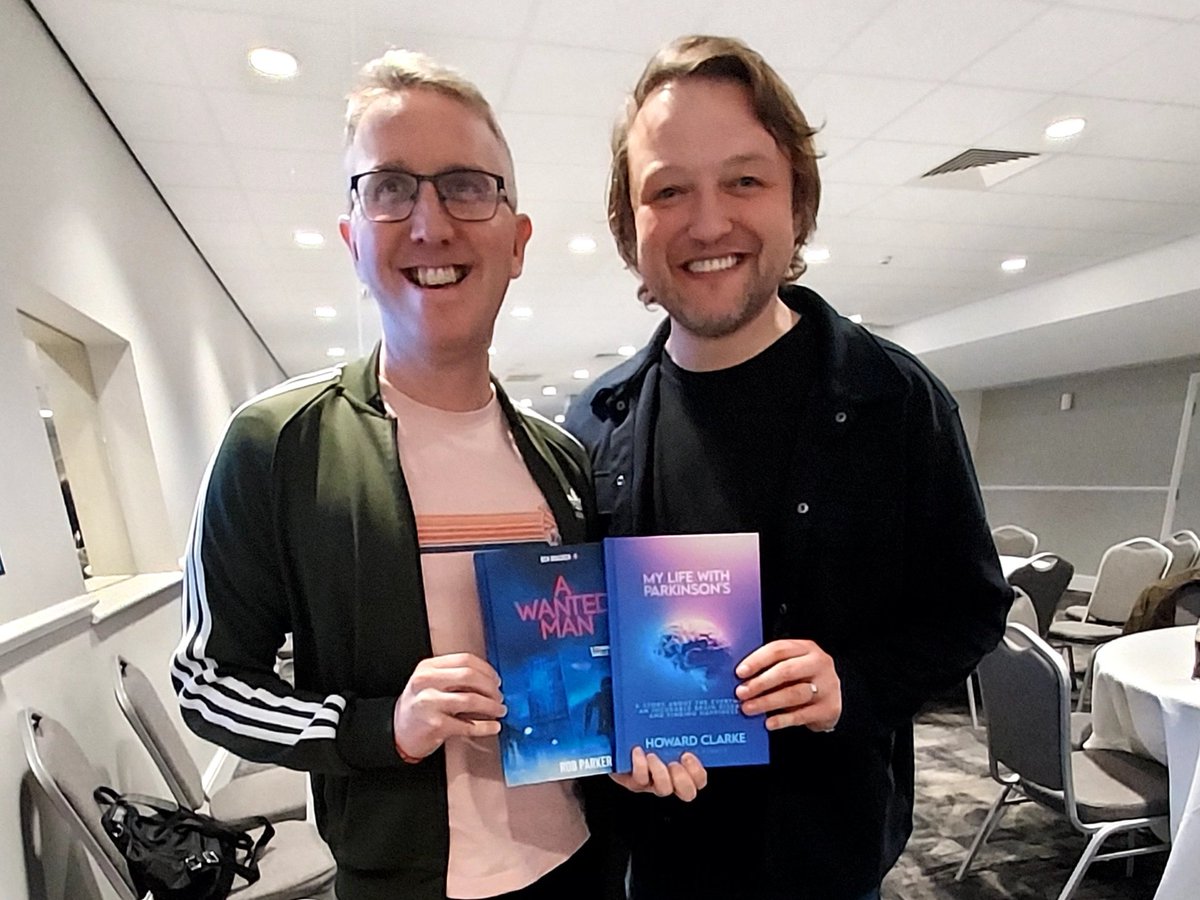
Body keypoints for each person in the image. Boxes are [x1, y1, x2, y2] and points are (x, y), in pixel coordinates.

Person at [566, 35, 1012, 900]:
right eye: (668, 190)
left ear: (796, 201)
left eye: (744, 179)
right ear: (632, 229)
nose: (707, 221)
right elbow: (584, 646)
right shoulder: (595, 424)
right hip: (654, 859)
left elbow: (971, 610)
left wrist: (852, 682)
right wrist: (606, 737)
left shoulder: (895, 400)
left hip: (826, 854)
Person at [173, 50, 623, 900]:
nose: (430, 222)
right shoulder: (279, 446)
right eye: (390, 187)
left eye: (466, 185)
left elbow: (599, 659)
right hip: (401, 882)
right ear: (352, 236)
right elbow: (209, 681)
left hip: (585, 865)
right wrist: (383, 727)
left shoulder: (561, 460)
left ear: (517, 241)